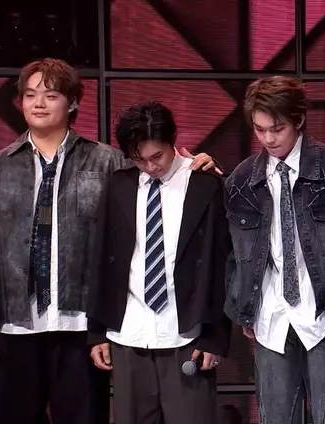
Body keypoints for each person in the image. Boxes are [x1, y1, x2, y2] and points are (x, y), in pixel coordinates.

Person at [0, 58, 218, 424]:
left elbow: (161, 181)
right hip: (12, 323)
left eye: (50, 95)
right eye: (30, 95)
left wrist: (198, 166)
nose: (38, 103)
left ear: (73, 103)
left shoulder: (108, 161)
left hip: (79, 324)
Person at [223, 76, 325, 424]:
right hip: (270, 319)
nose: (268, 138)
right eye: (260, 129)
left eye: (277, 128)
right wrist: (244, 303)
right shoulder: (242, 180)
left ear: (299, 120)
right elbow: (231, 251)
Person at [87, 101, 231, 424]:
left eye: (157, 157)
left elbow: (222, 265)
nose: (150, 167)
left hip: (186, 333)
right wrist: (96, 331)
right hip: (128, 333)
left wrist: (215, 336)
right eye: (140, 160)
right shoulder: (119, 185)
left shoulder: (205, 184)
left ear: (173, 141)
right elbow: (102, 260)